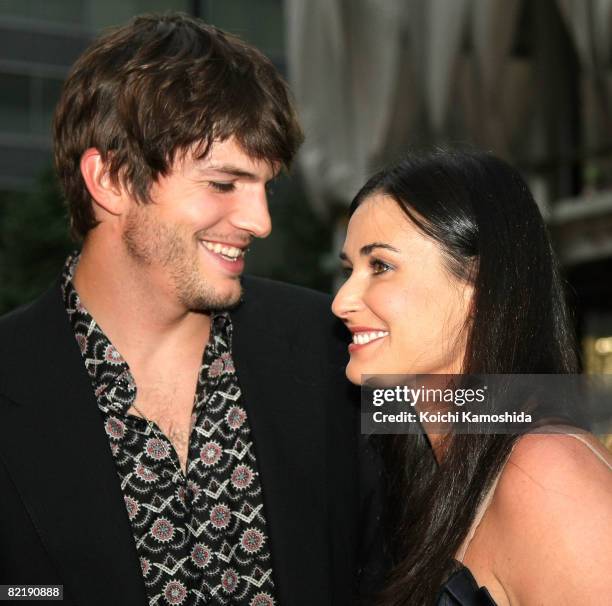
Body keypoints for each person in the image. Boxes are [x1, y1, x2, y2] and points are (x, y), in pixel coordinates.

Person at [0, 13, 381, 606]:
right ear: (111, 179)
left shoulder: (333, 345)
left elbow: (503, 410)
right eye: (224, 184)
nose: (260, 221)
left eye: (265, 186)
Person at [332, 150, 612, 605]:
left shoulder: (545, 470)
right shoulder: (439, 470)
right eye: (349, 271)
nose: (342, 301)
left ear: (479, 290)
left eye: (380, 266)